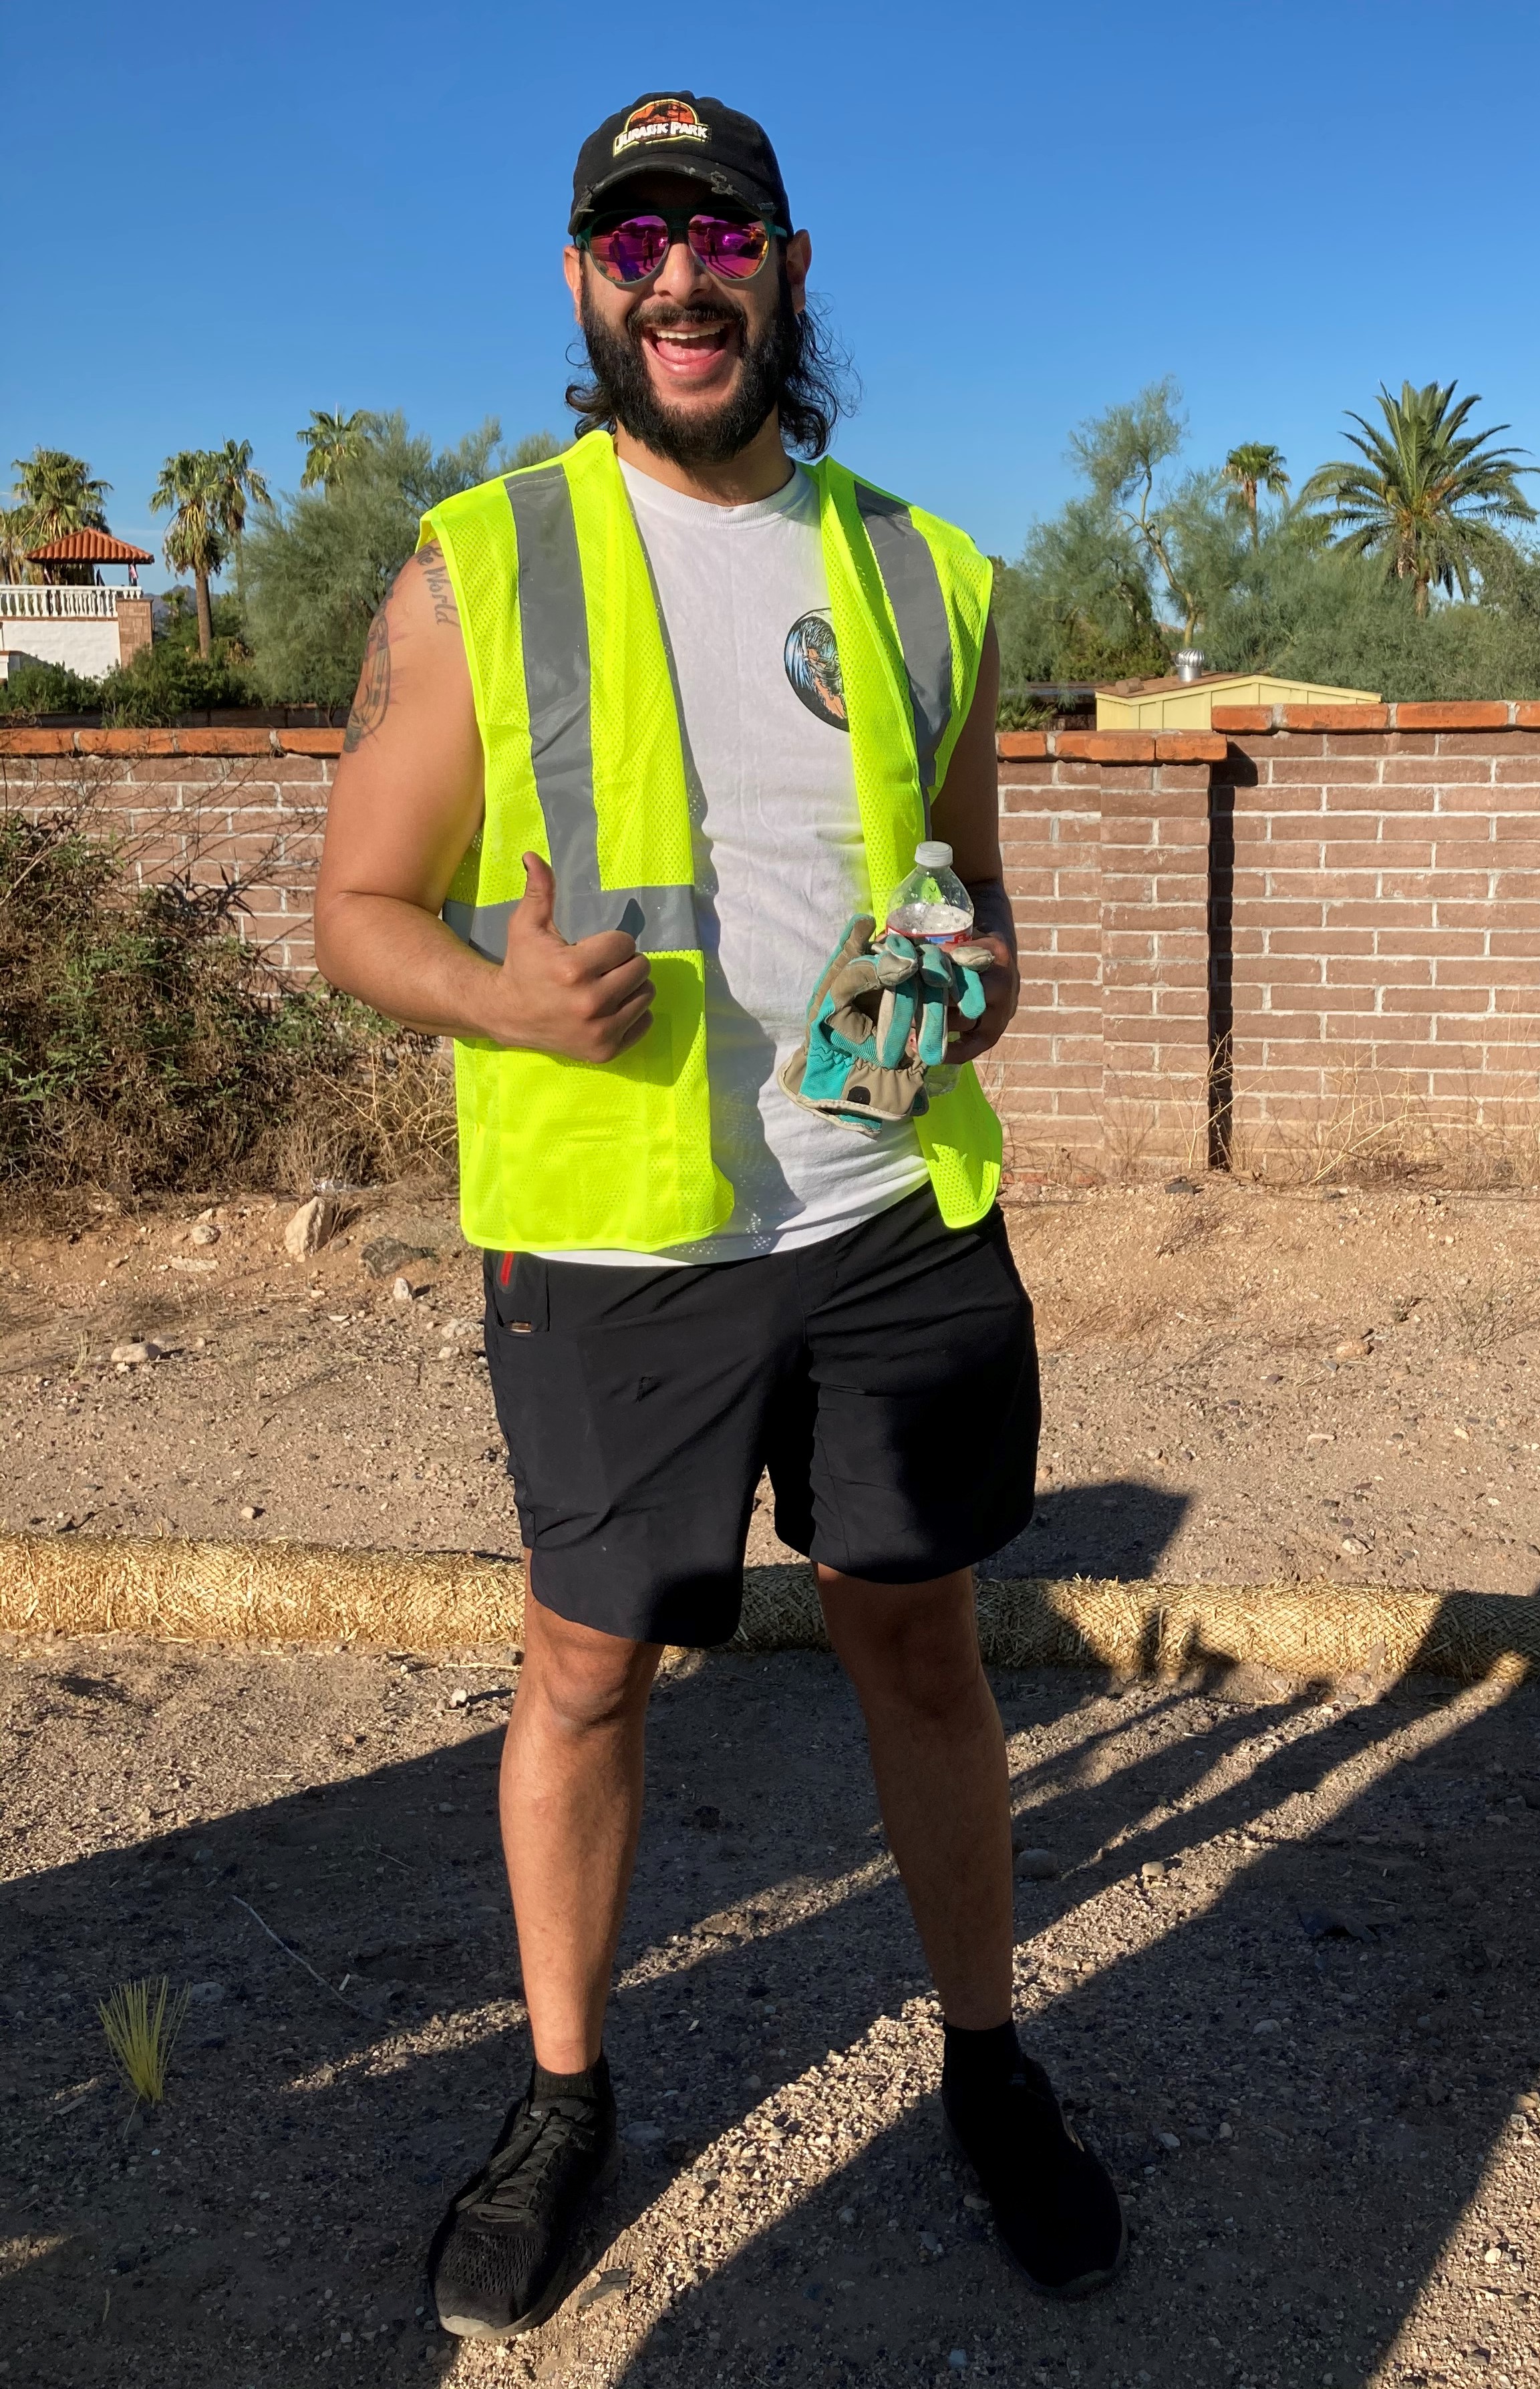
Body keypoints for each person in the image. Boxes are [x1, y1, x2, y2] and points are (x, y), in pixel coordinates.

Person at [311, 89, 1124, 2341]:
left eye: (723, 231)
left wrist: (959, 993)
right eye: (635, 234)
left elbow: (977, 909)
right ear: (587, 281)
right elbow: (354, 906)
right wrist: (501, 995)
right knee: (585, 1673)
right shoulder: (479, 564)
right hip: (615, 1245)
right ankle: (564, 2096)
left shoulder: (926, 569)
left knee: (922, 1645)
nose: (684, 272)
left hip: (887, 1219)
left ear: (782, 262)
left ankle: (987, 2061)